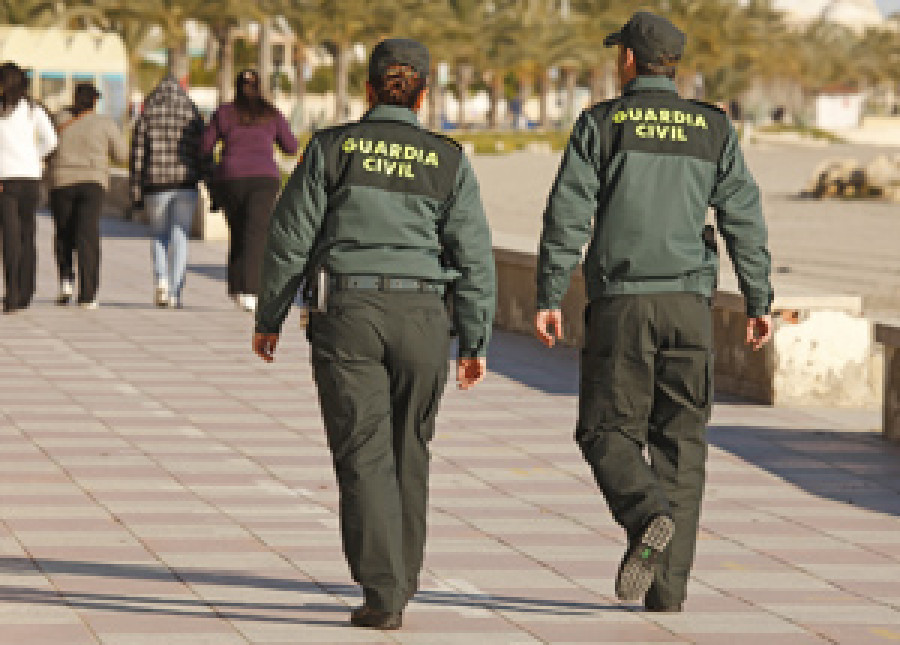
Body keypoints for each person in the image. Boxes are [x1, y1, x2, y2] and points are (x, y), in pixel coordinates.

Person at [534, 12, 773, 613]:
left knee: (604, 429)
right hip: (689, 305)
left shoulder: (602, 123)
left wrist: (548, 292)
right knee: (682, 443)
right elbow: (742, 213)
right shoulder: (713, 127)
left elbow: (568, 213)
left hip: (622, 302)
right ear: (676, 65)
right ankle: (667, 593)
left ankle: (645, 517)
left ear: (629, 61)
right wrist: (758, 296)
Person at [252, 39, 495, 630]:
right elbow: (474, 254)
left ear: (368, 89)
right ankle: (400, 576)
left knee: (363, 449)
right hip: (422, 318)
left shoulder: (333, 148)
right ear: (424, 95)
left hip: (350, 313)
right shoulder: (448, 159)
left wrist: (270, 316)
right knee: (411, 447)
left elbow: (291, 236)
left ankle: (384, 588)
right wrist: (476, 338)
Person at [202, 69, 298, 313]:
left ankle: (236, 288)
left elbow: (205, 147)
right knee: (256, 235)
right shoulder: (270, 113)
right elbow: (291, 146)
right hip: (263, 179)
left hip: (231, 178)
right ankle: (251, 291)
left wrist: (212, 169)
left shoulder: (224, 113)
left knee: (238, 232)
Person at [47, 83, 128, 309]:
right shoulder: (105, 123)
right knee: (87, 235)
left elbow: (46, 146)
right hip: (92, 183)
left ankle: (66, 281)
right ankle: (88, 295)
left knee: (63, 232)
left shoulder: (59, 119)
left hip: (61, 181)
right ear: (95, 101)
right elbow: (122, 155)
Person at [130, 75, 205, 309]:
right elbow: (202, 149)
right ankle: (175, 292)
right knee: (180, 236)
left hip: (155, 186)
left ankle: (161, 280)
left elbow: (138, 155)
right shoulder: (191, 112)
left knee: (159, 235)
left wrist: (135, 190)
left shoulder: (149, 113)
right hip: (185, 184)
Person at [0, 63, 57, 313]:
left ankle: (12, 294)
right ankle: (26, 292)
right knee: (27, 235)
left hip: (6, 180)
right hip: (31, 178)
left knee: (10, 238)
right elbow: (52, 141)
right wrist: (34, 157)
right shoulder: (34, 109)